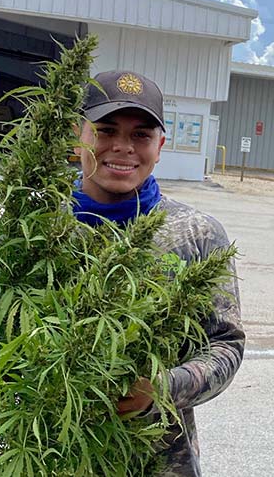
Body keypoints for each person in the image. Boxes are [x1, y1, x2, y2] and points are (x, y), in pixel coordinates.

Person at [73, 70, 244, 477]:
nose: (122, 147)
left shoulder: (197, 234)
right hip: (52, 452)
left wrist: (163, 387)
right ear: (77, 134)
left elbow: (225, 346)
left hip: (160, 460)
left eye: (141, 135)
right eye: (105, 130)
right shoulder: (36, 225)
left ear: (160, 145)